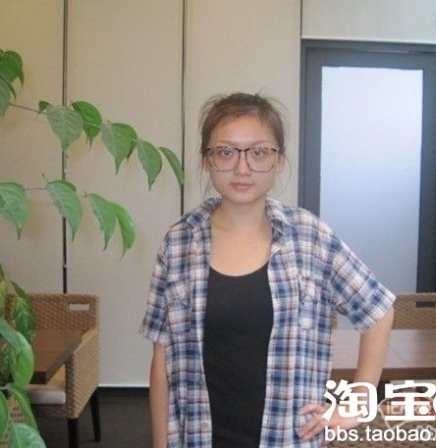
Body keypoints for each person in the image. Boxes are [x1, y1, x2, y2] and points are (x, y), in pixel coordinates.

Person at [141, 92, 395, 448]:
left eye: (259, 152)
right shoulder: (179, 242)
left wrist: (359, 400)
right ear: (207, 161)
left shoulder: (310, 237)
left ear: (279, 161)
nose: (242, 168)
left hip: (288, 438)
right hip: (198, 438)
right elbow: (161, 358)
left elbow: (378, 310)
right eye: (225, 152)